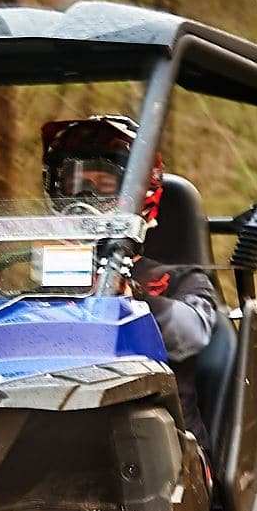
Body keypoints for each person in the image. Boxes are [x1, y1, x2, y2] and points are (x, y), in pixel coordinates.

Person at [41, 115, 218, 455]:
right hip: (54, 439)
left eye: (104, 184)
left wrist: (130, 298)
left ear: (139, 194)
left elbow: (195, 331)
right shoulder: (40, 276)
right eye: (75, 182)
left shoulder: (173, 277)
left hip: (164, 453)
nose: (86, 196)